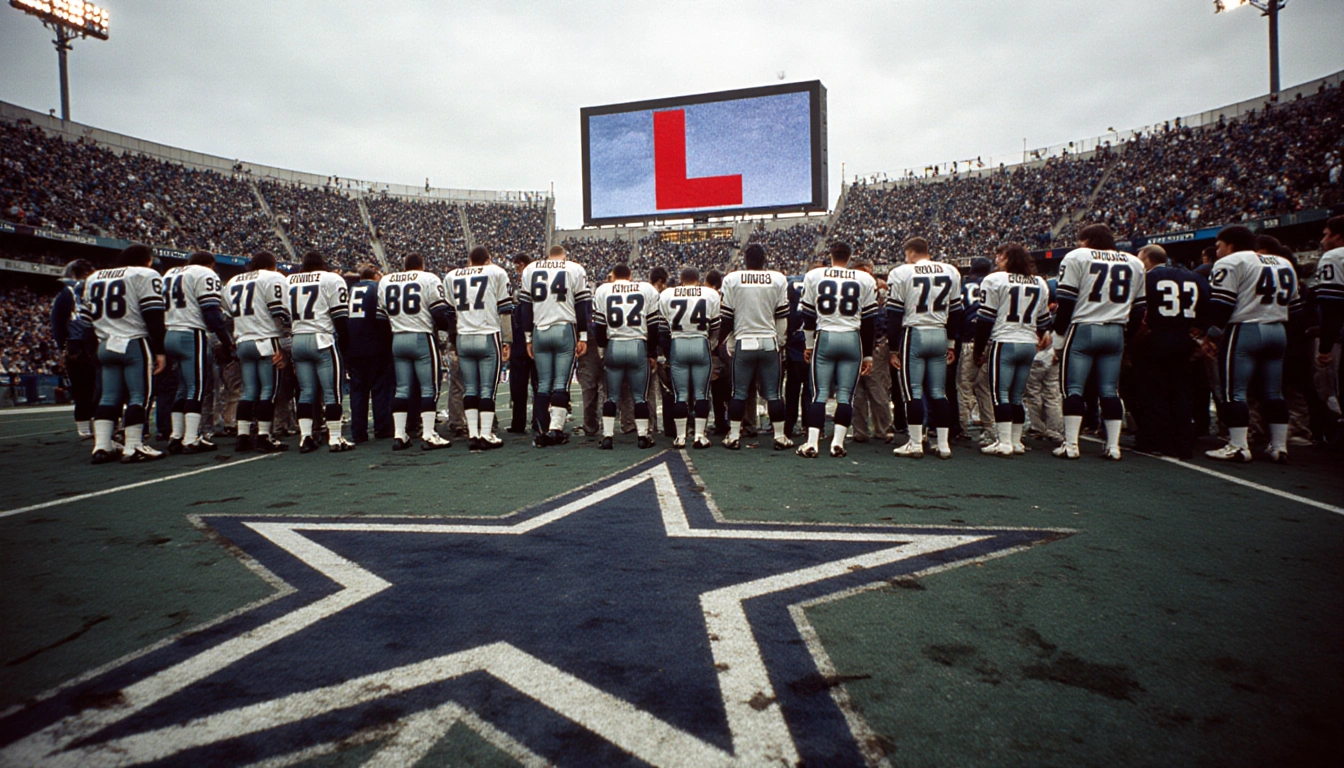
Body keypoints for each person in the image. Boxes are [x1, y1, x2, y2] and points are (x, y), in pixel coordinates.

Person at [1203, 225, 1303, 462]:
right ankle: (1279, 446)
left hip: (1246, 329)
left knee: (1234, 392)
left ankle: (1238, 445)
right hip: (1278, 329)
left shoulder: (1232, 261)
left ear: (1230, 244)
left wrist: (1212, 335)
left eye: (1218, 246)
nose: (1217, 253)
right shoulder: (1282, 262)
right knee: (1273, 392)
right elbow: (1297, 308)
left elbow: (1222, 305)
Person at [1051, 224, 1147, 460]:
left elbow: (1065, 301)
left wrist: (1059, 338)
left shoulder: (1077, 256)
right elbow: (1139, 309)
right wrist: (1126, 334)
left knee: (1073, 389)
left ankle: (1071, 445)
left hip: (1083, 328)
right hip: (1115, 330)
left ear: (1086, 240)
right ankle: (1113, 447)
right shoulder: (1134, 262)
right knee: (1110, 390)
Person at [80, 244, 167, 464]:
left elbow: (84, 321)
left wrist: (93, 349)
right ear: (146, 259)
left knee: (108, 396)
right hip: (133, 342)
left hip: (105, 343)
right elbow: (153, 315)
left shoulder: (94, 277)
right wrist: (160, 350)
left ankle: (101, 446)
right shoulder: (144, 274)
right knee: (140, 396)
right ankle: (134, 445)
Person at [799, 242, 879, 458]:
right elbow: (870, 321)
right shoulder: (864, 279)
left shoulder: (815, 276)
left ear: (830, 255)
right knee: (846, 396)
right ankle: (838, 443)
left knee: (820, 394)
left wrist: (808, 344)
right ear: (850, 257)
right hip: (852, 337)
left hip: (825, 335)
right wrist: (869, 354)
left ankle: (812, 443)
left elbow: (807, 315)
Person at [972, 243, 1052, 456]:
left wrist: (978, 350)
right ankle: (1016, 442)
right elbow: (1044, 321)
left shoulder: (995, 280)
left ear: (1010, 258)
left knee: (1000, 395)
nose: (997, 259)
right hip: (1028, 342)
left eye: (1001, 255)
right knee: (1017, 396)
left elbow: (985, 319)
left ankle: (1004, 442)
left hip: (1005, 341)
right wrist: (1041, 335)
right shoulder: (1039, 283)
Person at [888, 237, 964, 459]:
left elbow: (894, 314)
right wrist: (951, 342)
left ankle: (915, 442)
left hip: (915, 332)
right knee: (939, 392)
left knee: (913, 391)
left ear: (910, 252)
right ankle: (943, 444)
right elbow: (956, 312)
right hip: (939, 332)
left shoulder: (902, 272)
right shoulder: (950, 270)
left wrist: (893, 348)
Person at [1133, 244, 1208, 458]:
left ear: (1146, 259)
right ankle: (1184, 441)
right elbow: (1206, 306)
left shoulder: (1146, 278)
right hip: (1184, 337)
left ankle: (1157, 440)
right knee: (1181, 391)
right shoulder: (1193, 277)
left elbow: (1139, 310)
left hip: (1156, 336)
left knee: (1153, 391)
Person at [719, 243, 791, 450]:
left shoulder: (733, 279)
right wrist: (780, 341)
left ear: (745, 260)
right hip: (769, 340)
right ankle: (779, 437)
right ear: (764, 260)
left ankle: (733, 436)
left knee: (739, 392)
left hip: (744, 341)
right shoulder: (777, 279)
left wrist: (729, 342)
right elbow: (781, 316)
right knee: (774, 393)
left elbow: (728, 317)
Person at [518, 245, 591, 447]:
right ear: (564, 256)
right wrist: (582, 335)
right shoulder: (574, 268)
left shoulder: (531, 269)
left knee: (542, 383)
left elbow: (525, 307)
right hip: (563, 328)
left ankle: (541, 429)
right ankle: (556, 429)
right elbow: (581, 304)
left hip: (539, 329)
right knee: (561, 383)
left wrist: (528, 338)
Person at [162, 251, 235, 453]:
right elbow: (211, 312)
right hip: (190, 333)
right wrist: (226, 341)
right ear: (210, 264)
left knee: (182, 388)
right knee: (197, 388)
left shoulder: (171, 273)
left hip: (170, 332)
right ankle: (191, 438)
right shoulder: (204, 273)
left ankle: (176, 436)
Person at [380, 254, 454, 450]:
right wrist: (449, 329)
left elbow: (381, 317)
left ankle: (399, 435)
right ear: (422, 265)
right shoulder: (428, 278)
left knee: (402, 389)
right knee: (429, 388)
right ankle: (429, 434)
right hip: (421, 337)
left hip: (397, 337)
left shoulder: (386, 281)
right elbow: (438, 313)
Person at [445, 245, 514, 449]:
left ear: (469, 260)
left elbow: (449, 313)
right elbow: (505, 309)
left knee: (470, 389)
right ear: (488, 259)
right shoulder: (496, 272)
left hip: (463, 336)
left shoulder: (452, 276)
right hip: (487, 334)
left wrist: (453, 339)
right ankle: (486, 434)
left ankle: (473, 434)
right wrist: (507, 341)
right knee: (487, 390)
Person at [288, 250, 355, 453]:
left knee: (305, 393)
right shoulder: (331, 279)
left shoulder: (288, 280)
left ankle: (305, 437)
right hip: (322, 339)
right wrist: (345, 345)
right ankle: (335, 438)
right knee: (331, 392)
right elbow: (340, 317)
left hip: (297, 339)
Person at [224, 251, 291, 452]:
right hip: (266, 340)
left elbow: (226, 316)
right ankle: (264, 436)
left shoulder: (233, 281)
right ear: (272, 265)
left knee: (248, 392)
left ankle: (242, 436)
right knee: (267, 392)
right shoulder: (273, 277)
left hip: (243, 340)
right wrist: (286, 344)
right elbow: (280, 313)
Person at [592, 264, 662, 449]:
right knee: (640, 396)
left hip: (614, 344)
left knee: (611, 396)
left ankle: (607, 436)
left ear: (613, 276)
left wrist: (602, 347)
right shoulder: (646, 289)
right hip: (637, 344)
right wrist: (652, 352)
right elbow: (654, 326)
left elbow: (599, 326)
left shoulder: (603, 290)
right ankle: (642, 436)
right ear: (630, 276)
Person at [659, 267, 721, 449]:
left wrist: (666, 352)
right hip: (700, 341)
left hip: (678, 343)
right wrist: (711, 345)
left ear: (680, 279)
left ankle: (680, 437)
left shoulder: (667, 294)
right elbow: (716, 326)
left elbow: (663, 329)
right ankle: (699, 435)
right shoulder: (710, 294)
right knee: (701, 394)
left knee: (681, 395)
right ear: (698, 279)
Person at [346, 264, 394, 443]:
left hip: (353, 347)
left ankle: (358, 431)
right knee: (380, 389)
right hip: (375, 346)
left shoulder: (350, 290)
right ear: (375, 276)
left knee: (358, 391)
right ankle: (382, 428)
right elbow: (383, 320)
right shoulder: (377, 289)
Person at [51, 259, 96, 440]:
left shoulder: (92, 291)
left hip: (90, 343)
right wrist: (64, 346)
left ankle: (93, 424)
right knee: (82, 388)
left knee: (96, 387)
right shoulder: (67, 293)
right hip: (78, 344)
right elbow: (58, 323)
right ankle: (84, 426)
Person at [850, 259, 893, 443]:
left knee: (875, 388)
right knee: (858, 390)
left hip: (872, 343)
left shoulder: (875, 289)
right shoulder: (867, 288)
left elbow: (882, 318)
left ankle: (883, 428)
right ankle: (863, 430)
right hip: (857, 342)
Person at [507, 253, 540, 435]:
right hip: (519, 340)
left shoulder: (534, 284)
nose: (518, 272)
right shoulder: (518, 286)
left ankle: (538, 420)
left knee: (537, 383)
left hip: (531, 337)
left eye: (519, 267)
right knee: (518, 386)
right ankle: (519, 422)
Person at [1316, 216, 1344, 404]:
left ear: (1339, 236)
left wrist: (1325, 349)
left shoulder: (1334, 257)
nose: (1322, 241)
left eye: (1326, 235)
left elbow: (1333, 307)